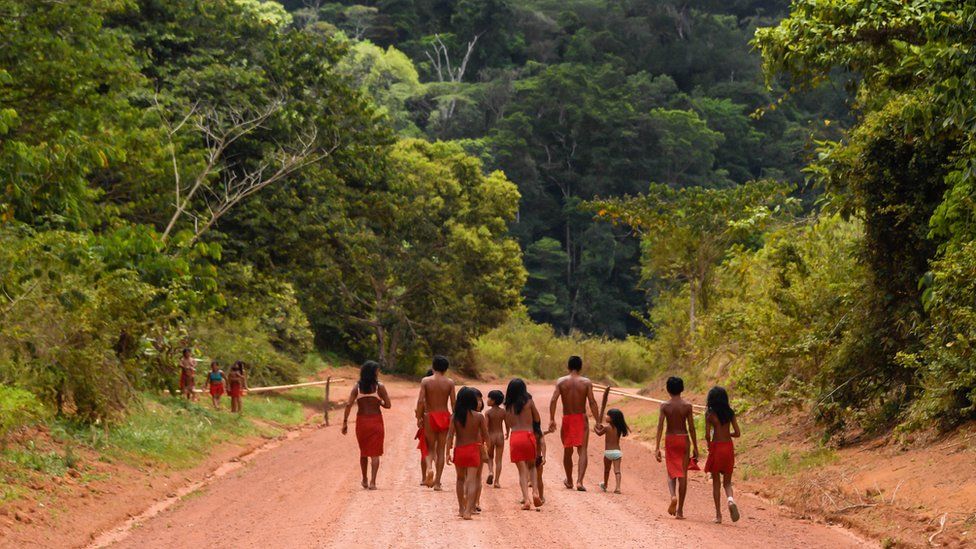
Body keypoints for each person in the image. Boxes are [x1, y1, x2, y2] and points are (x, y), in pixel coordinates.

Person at [548, 355, 601, 491]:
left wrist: (552, 419)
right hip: (581, 418)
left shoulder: (561, 382)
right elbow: (592, 402)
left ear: (568, 366)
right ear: (580, 367)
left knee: (567, 450)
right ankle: (580, 482)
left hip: (567, 418)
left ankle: (570, 480)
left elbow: (553, 400)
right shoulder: (586, 382)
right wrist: (598, 420)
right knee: (582, 450)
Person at [342, 361, 392, 490]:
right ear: (374, 372)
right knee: (375, 454)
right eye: (377, 370)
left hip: (362, 422)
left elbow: (348, 405)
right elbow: (388, 405)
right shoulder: (379, 387)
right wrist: (379, 401)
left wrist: (345, 422)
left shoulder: (357, 387)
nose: (378, 372)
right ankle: (373, 482)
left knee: (363, 452)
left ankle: (364, 479)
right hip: (376, 421)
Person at [655, 376, 699, 519]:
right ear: (682, 389)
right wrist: (696, 447)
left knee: (671, 472)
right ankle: (680, 511)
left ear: (668, 389)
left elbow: (660, 426)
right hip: (684, 439)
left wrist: (657, 447)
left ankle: (673, 496)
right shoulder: (687, 406)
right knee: (683, 474)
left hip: (671, 439)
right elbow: (691, 428)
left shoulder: (665, 406)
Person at [446, 387, 489, 520]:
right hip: (473, 450)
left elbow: (449, 436)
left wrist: (447, 452)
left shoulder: (455, 417)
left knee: (460, 479)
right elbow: (486, 436)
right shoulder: (479, 416)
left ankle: (460, 508)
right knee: (471, 481)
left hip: (460, 450)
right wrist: (486, 450)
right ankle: (469, 511)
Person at [417, 356, 456, 490]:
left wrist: (419, 417)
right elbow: (453, 403)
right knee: (440, 449)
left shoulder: (426, 381)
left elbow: (421, 401)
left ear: (433, 367)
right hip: (444, 416)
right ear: (446, 369)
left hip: (430, 416)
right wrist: (454, 420)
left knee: (429, 447)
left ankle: (429, 468)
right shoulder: (450, 383)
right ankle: (438, 482)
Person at [504, 378, 544, 510]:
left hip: (515, 437)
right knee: (532, 467)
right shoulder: (529, 402)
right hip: (528, 436)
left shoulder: (507, 407)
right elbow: (537, 418)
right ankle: (535, 493)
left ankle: (526, 499)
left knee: (522, 471)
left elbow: (509, 424)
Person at [705, 386, 741, 523]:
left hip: (716, 447)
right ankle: (731, 501)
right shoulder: (730, 413)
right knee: (727, 483)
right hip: (728, 448)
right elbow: (738, 433)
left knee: (716, 483)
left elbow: (707, 435)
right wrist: (728, 433)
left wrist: (709, 445)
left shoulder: (709, 415)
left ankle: (718, 515)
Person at [595, 408, 629, 494]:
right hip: (617, 452)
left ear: (612, 418)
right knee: (617, 471)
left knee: (607, 470)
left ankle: (605, 485)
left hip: (608, 453)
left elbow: (599, 433)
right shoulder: (619, 428)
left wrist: (595, 428)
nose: (606, 416)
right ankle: (618, 488)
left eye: (608, 415)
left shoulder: (607, 428)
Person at [415, 369, 434, 485]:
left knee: (425, 451)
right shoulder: (441, 389)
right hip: (439, 420)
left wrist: (418, 418)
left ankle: (424, 477)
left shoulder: (425, 391)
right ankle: (437, 479)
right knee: (437, 451)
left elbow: (419, 407)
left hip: (426, 423)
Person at [484, 389, 506, 488]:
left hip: (491, 436)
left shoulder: (488, 412)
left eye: (489, 398)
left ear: (493, 401)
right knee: (499, 460)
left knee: (490, 457)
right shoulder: (503, 412)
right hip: (500, 435)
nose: (487, 400)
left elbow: (486, 426)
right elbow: (507, 424)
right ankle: (497, 481)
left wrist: (484, 438)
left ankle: (490, 471)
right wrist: (508, 433)